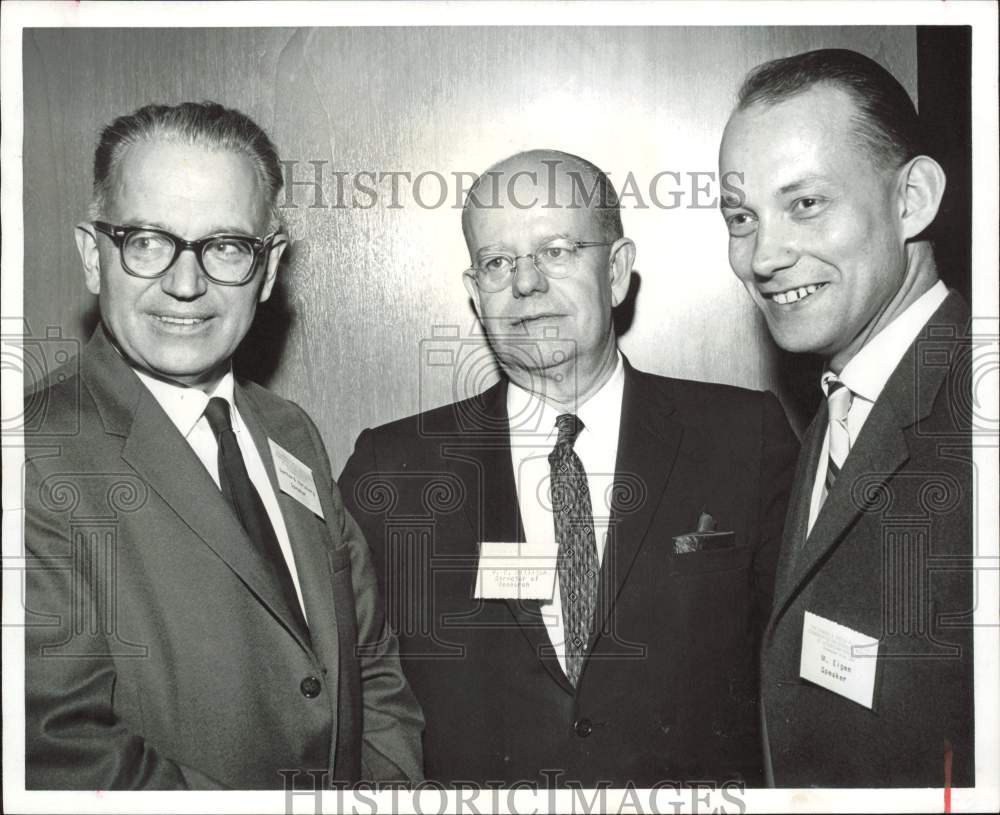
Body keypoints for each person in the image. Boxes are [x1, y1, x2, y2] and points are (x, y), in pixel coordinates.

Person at [338, 149, 799, 787]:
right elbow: (348, 692)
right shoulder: (392, 470)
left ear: (615, 271)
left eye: (556, 251)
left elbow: (795, 684)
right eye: (498, 262)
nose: (525, 284)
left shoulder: (745, 438)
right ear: (476, 294)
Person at [23, 101, 423, 789]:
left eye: (226, 246)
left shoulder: (289, 431)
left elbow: (369, 664)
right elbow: (65, 747)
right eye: (147, 240)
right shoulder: (31, 458)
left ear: (268, 269)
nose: (186, 283)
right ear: (95, 256)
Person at [719, 49, 974, 787]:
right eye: (743, 217)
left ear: (914, 198)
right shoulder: (839, 404)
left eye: (805, 204)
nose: (763, 256)